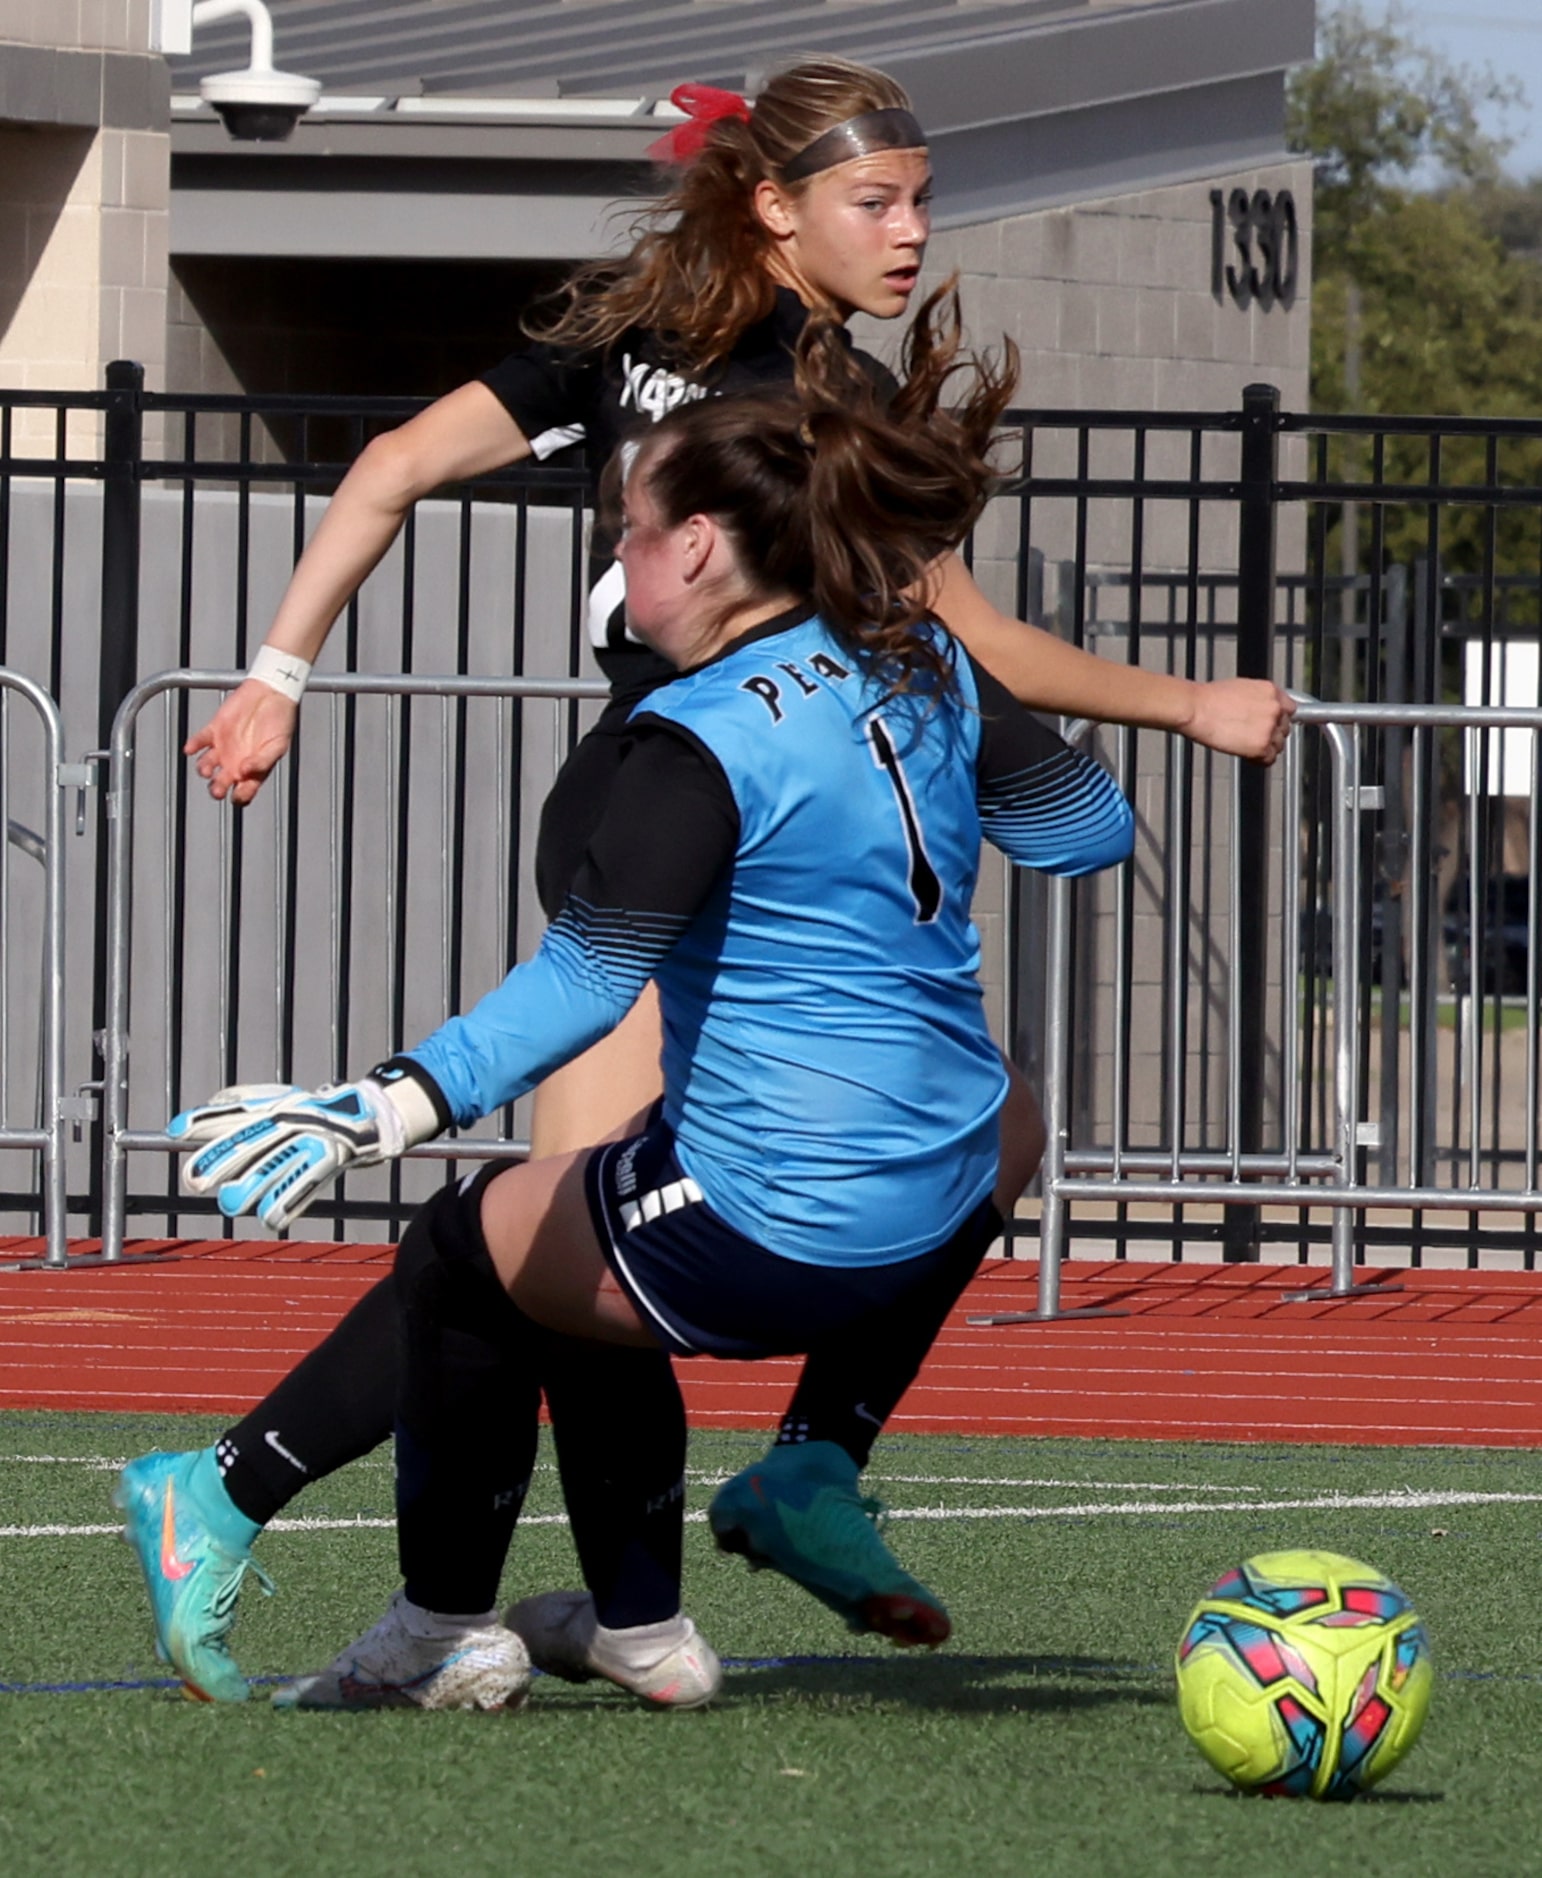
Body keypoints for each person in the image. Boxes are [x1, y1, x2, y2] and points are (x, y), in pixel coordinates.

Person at [115, 57, 1287, 1708]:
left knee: (679, 1213)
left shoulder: (827, 385)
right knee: (575, 1238)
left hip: (741, 809)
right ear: (772, 202)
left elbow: (949, 645)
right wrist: (273, 679)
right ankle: (501, 1585)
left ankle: (633, 1576)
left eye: (921, 196)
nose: (911, 229)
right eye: (877, 199)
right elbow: (389, 464)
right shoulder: (687, 366)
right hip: (672, 808)